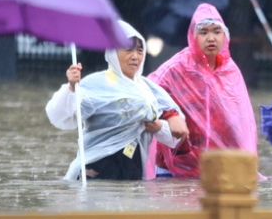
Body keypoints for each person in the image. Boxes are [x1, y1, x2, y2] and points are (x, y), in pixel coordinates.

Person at [45, 21, 187, 180]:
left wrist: (159, 126)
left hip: (133, 168)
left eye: (140, 50)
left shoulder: (148, 89)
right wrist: (71, 88)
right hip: (98, 168)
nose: (135, 56)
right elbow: (60, 117)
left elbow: (175, 137)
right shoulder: (95, 84)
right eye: (128, 50)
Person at [147, 3, 258, 178]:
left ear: (225, 36)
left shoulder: (230, 71)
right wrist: (171, 115)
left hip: (217, 167)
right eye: (204, 32)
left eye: (216, 31)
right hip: (173, 166)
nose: (211, 38)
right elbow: (147, 90)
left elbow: (241, 121)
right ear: (193, 36)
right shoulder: (177, 67)